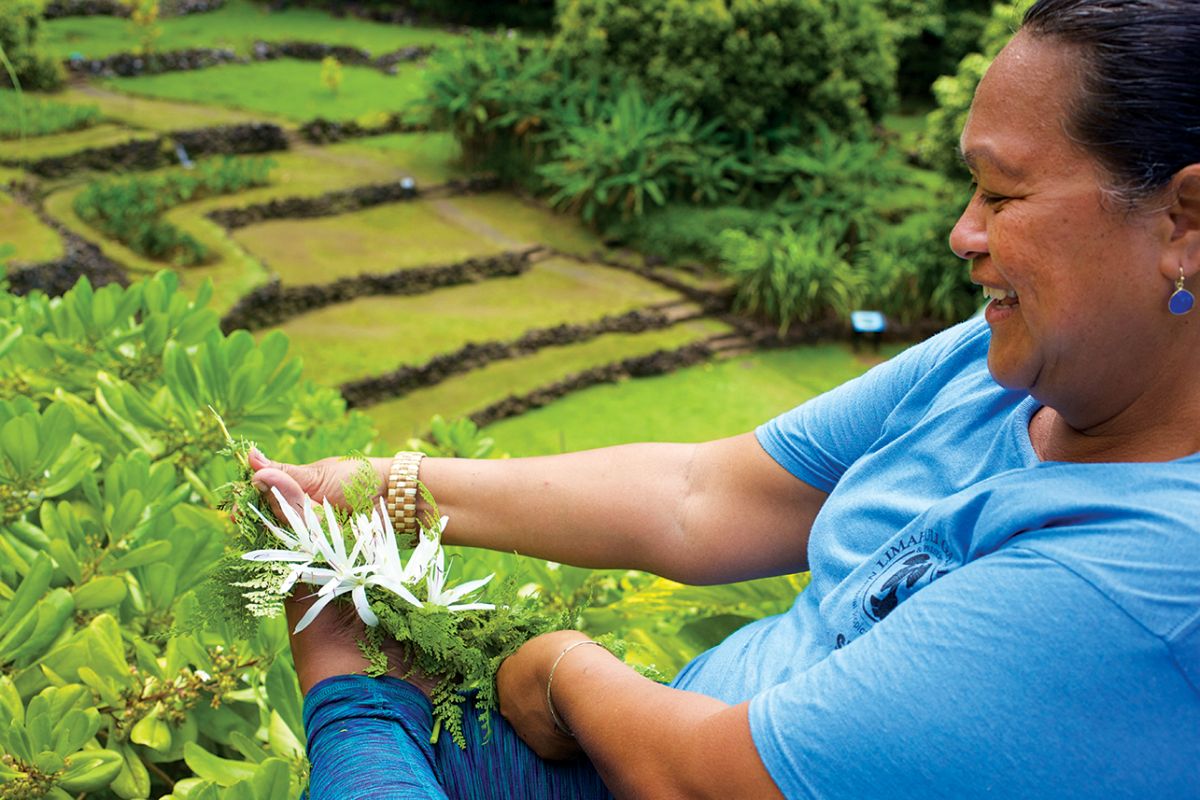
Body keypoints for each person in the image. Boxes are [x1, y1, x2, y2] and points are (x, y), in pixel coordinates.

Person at [250, 0, 1200, 796]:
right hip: (634, 746)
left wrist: (556, 666)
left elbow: (705, 781)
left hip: (668, 763)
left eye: (1003, 195)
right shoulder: (1009, 368)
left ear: (1184, 223)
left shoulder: (1141, 578)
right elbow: (707, 496)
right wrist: (379, 488)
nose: (962, 233)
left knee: (358, 706)